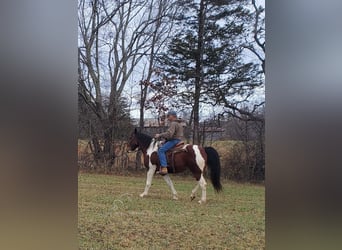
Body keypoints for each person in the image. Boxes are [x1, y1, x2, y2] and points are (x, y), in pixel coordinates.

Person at [154, 110, 184, 175]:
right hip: (178, 140)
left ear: (173, 116)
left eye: (169, 116)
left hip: (174, 141)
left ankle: (164, 168)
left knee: (161, 150)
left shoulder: (173, 123)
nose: (168, 117)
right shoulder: (179, 123)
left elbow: (170, 134)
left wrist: (159, 135)